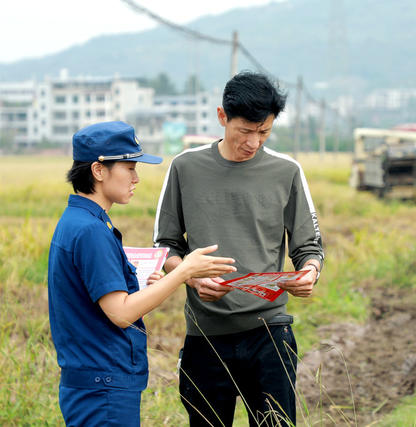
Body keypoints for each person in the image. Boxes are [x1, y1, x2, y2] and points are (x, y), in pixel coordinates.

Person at [153, 71, 324, 426]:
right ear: (222, 117)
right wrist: (190, 278)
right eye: (245, 131)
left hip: (271, 334)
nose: (254, 142)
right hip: (206, 335)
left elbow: (309, 246)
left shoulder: (286, 171)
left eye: (264, 132)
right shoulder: (186, 167)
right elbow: (165, 245)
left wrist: (310, 272)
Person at [47, 121, 237, 426]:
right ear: (98, 171)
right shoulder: (91, 231)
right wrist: (184, 270)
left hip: (95, 381)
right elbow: (121, 314)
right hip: (103, 387)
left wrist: (141, 287)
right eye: (129, 167)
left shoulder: (79, 221)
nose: (136, 178)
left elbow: (104, 302)